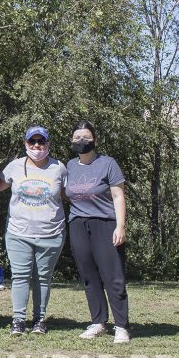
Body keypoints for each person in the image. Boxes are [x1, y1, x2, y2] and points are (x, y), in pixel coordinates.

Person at [65, 121, 130, 343]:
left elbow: (118, 196)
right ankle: (98, 322)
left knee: (113, 276)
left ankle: (121, 326)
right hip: (78, 224)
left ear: (95, 139)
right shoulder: (70, 166)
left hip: (106, 224)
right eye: (77, 138)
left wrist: (120, 226)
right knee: (89, 276)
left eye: (85, 137)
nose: (81, 142)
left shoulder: (108, 164)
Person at [0, 126, 66, 336]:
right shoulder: (15, 166)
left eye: (41, 142)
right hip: (19, 232)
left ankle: (39, 319)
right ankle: (18, 320)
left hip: (51, 233)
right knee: (20, 277)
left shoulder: (59, 168)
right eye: (32, 142)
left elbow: (68, 195)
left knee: (43, 277)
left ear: (48, 144)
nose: (37, 146)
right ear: (26, 144)